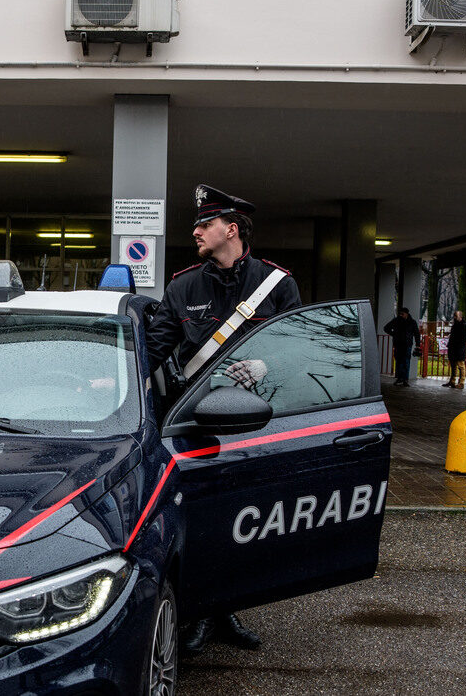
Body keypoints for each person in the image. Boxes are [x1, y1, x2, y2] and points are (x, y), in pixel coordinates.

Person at [145, 184, 301, 654]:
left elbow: (297, 346)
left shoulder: (277, 284)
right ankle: (199, 612)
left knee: (242, 518)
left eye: (205, 224)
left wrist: (265, 364)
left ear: (231, 230)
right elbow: (152, 350)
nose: (195, 231)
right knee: (197, 518)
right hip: (195, 423)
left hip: (254, 420)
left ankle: (227, 606)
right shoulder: (183, 286)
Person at [383, 307, 420, 386]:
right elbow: (386, 328)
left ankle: (404, 379)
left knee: (405, 362)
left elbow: (417, 333)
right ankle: (401, 379)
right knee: (400, 361)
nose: (401, 315)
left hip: (406, 344)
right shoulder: (398, 321)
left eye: (402, 314)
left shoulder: (410, 322)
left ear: (406, 314)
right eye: (400, 314)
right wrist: (394, 334)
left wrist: (418, 345)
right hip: (400, 344)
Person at [444, 310, 466, 389]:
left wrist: (455, 342)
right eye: (454, 316)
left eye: (456, 316)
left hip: (459, 349)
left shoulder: (464, 325)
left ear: (460, 317)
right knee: (453, 365)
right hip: (453, 348)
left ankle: (461, 383)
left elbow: (465, 338)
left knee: (461, 366)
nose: (454, 317)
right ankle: (452, 381)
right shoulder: (455, 325)